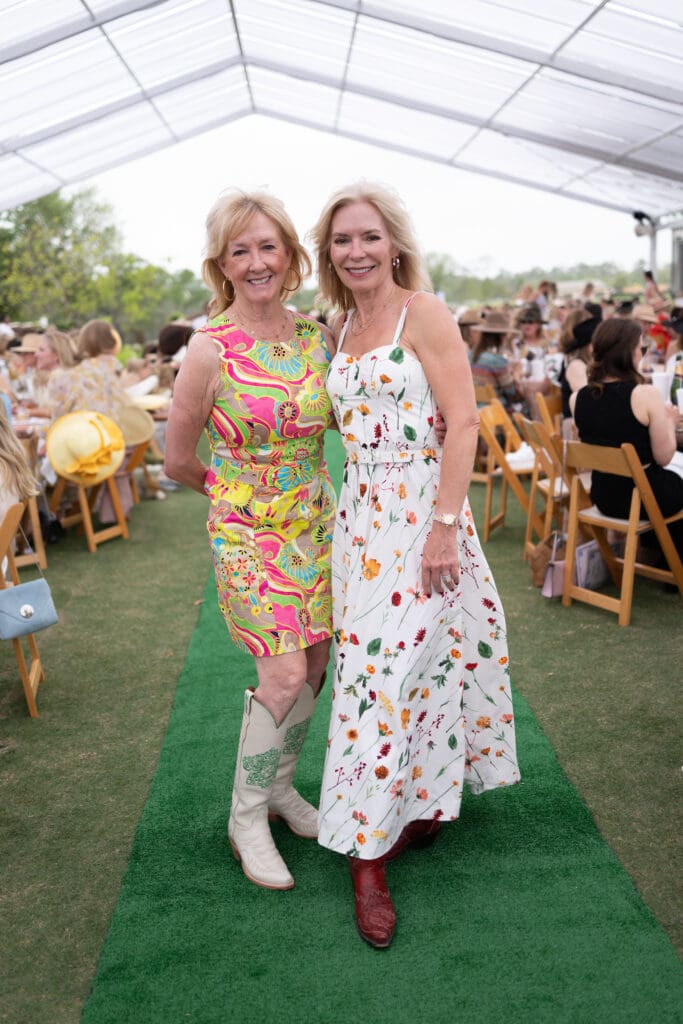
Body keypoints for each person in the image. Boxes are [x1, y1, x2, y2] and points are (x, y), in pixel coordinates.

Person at [311, 183, 520, 949]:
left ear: (392, 242)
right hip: (359, 520)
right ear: (329, 253)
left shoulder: (421, 313)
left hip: (423, 513)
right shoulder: (339, 326)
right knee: (388, 670)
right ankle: (420, 802)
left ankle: (368, 858)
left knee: (398, 671)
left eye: (368, 237)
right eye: (341, 241)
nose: (356, 251)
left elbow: (461, 421)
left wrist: (439, 529)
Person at [164, 191, 336, 892]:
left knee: (318, 666)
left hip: (318, 522)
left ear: (291, 256)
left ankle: (281, 791)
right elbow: (177, 460)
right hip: (248, 531)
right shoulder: (207, 349)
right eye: (241, 250)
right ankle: (245, 820)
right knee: (284, 673)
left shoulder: (317, 337)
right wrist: (239, 500)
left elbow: (340, 421)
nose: (257, 262)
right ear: (221, 265)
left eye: (268, 247)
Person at [571, 318, 683, 558]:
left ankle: (657, 553)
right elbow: (664, 457)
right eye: (641, 348)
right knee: (673, 479)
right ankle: (668, 559)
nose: (642, 354)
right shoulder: (644, 395)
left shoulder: (577, 399)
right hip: (644, 499)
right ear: (630, 352)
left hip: (604, 496)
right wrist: (670, 424)